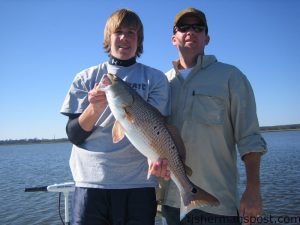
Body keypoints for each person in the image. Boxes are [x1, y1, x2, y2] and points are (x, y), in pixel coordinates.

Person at [150, 7, 267, 225]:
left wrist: (253, 190)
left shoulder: (231, 77)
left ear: (207, 38)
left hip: (217, 205)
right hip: (172, 203)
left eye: (198, 27)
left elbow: (249, 138)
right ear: (173, 38)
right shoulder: (160, 84)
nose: (190, 32)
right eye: (183, 27)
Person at [60, 9, 169, 225]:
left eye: (131, 32)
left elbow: (158, 129)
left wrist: (162, 162)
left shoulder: (155, 79)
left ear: (139, 40)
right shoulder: (86, 77)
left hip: (139, 184)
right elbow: (73, 134)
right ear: (108, 38)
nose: (124, 38)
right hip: (91, 183)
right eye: (118, 32)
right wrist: (94, 109)